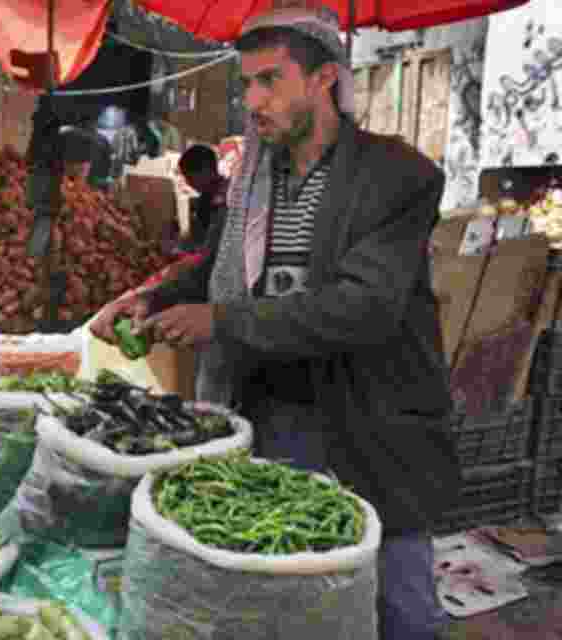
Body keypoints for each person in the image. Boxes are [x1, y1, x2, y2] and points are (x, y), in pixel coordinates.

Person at [91, 6, 461, 639]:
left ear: (323, 80)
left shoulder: (396, 176)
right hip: (274, 416)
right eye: (247, 85)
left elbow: (362, 307)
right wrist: (152, 300)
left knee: (401, 607)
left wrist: (223, 322)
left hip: (369, 423)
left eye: (271, 80)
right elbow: (213, 269)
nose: (254, 101)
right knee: (287, 594)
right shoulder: (257, 180)